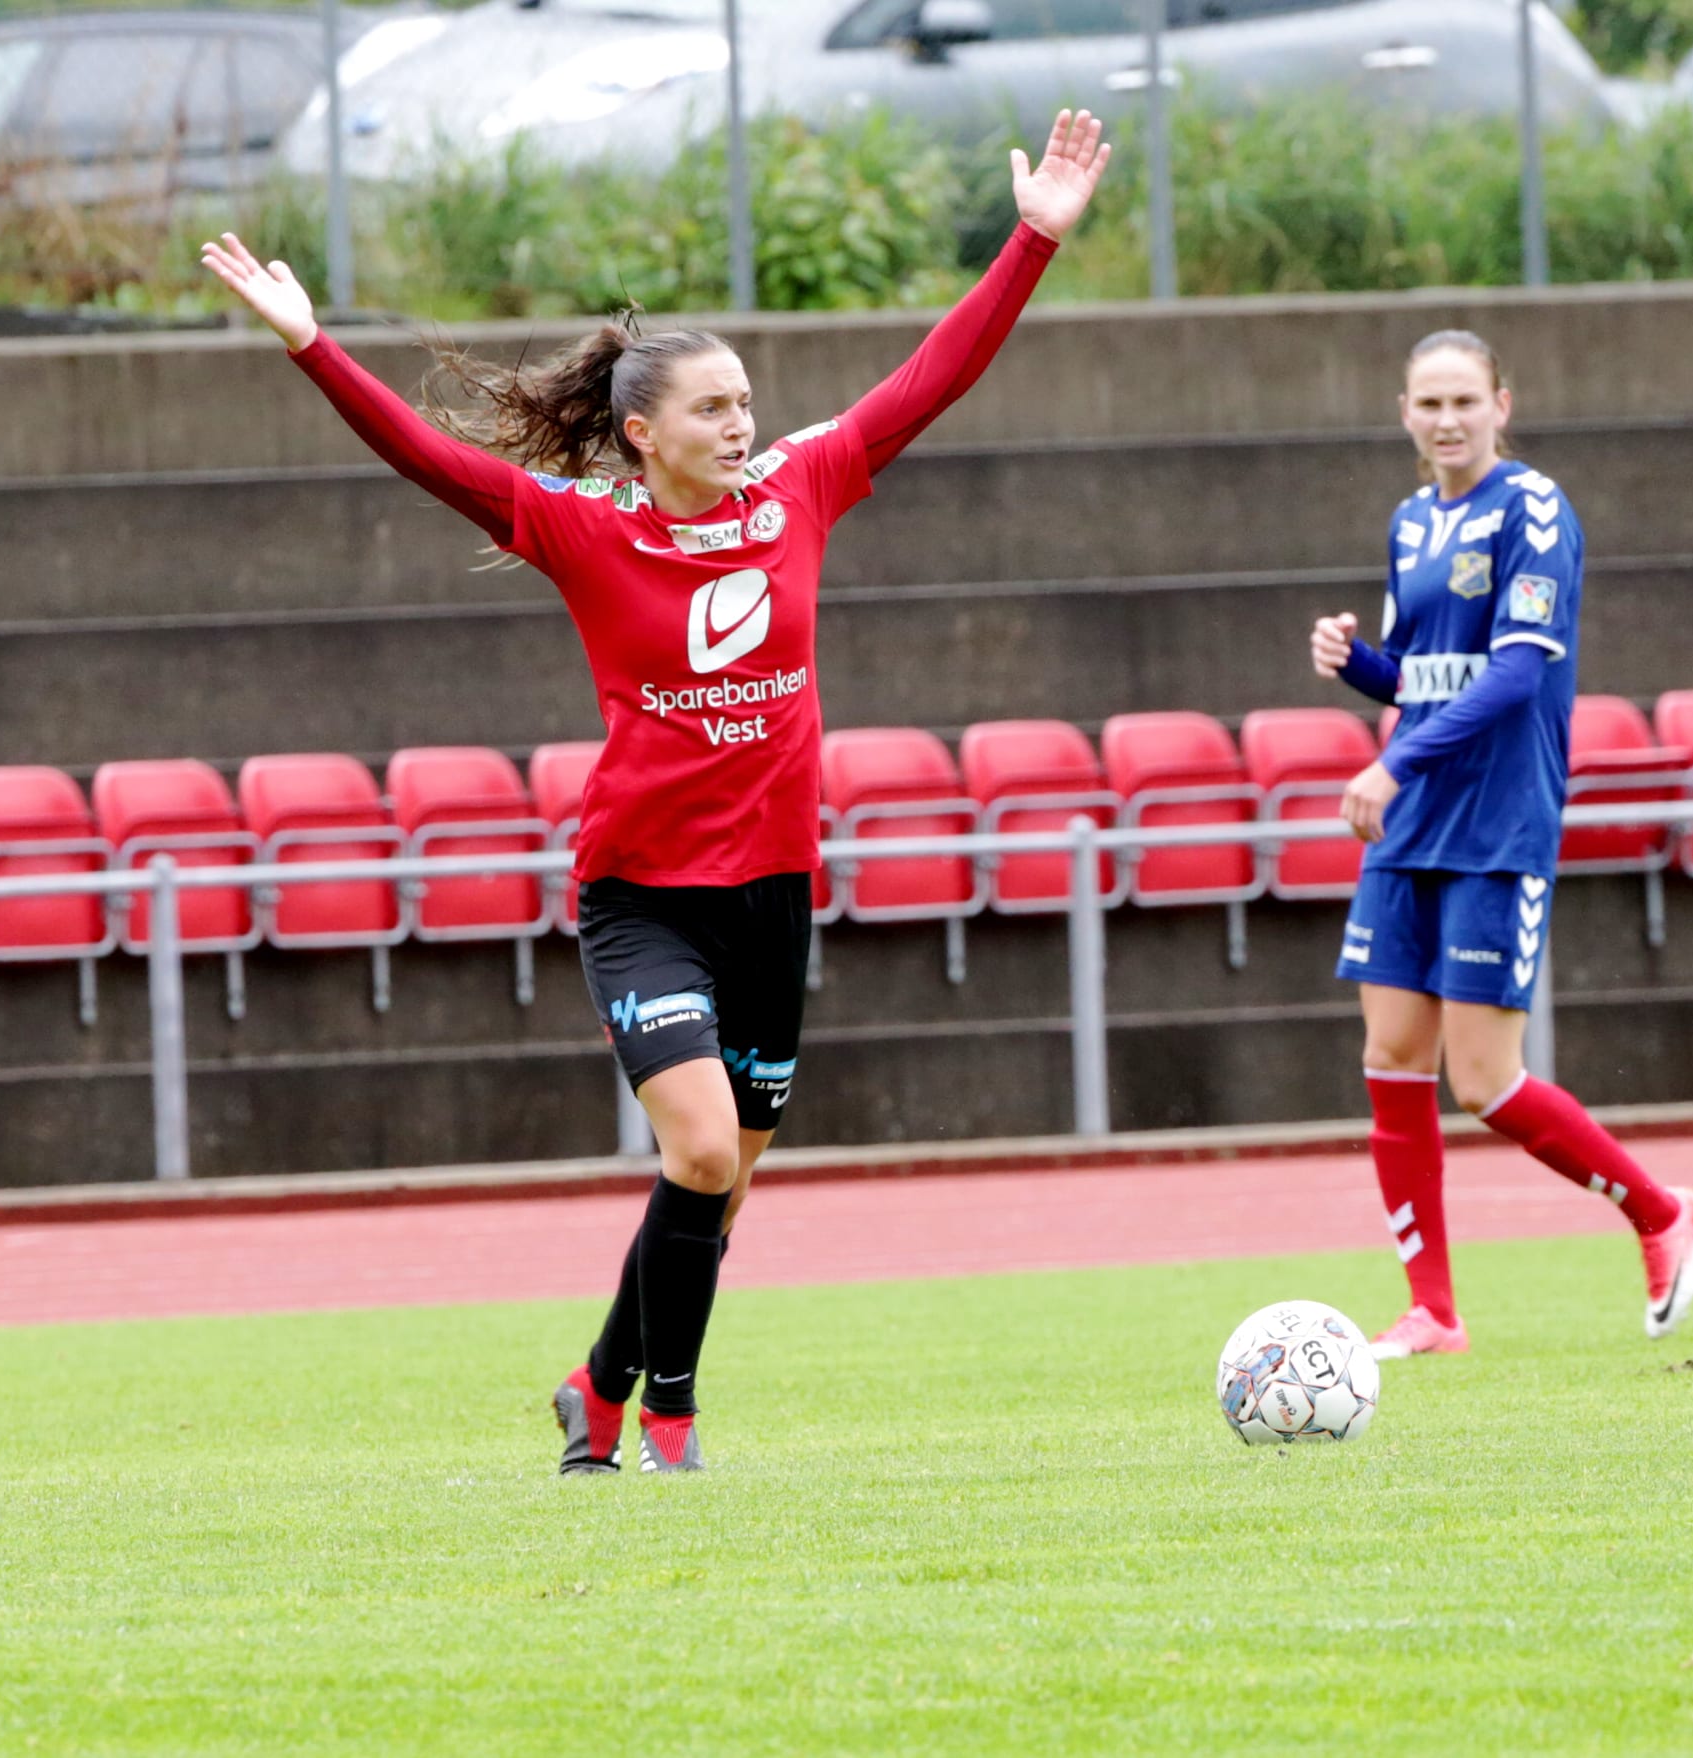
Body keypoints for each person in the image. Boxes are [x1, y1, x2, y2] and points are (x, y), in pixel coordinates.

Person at [205, 111, 1111, 1473]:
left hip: (774, 897)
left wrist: (1029, 241)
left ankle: (596, 1383)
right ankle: (668, 1423)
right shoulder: (582, 529)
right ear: (642, 434)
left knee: (720, 1185)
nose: (741, 424)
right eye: (711, 408)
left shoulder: (802, 486)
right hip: (643, 901)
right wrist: (310, 345)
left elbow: (933, 376)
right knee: (698, 1152)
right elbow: (433, 460)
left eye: (745, 401)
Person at [1309, 329, 1693, 1359]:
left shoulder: (1533, 508)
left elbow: (1516, 671)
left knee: (1484, 1082)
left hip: (1495, 825)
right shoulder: (1411, 521)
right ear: (1403, 414)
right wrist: (1355, 664)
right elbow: (1418, 678)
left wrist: (1391, 763)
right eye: (1429, 403)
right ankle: (1432, 1312)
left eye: (1464, 401)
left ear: (1501, 405)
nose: (1447, 420)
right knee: (1390, 1057)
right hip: (1410, 827)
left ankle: (1660, 1213)